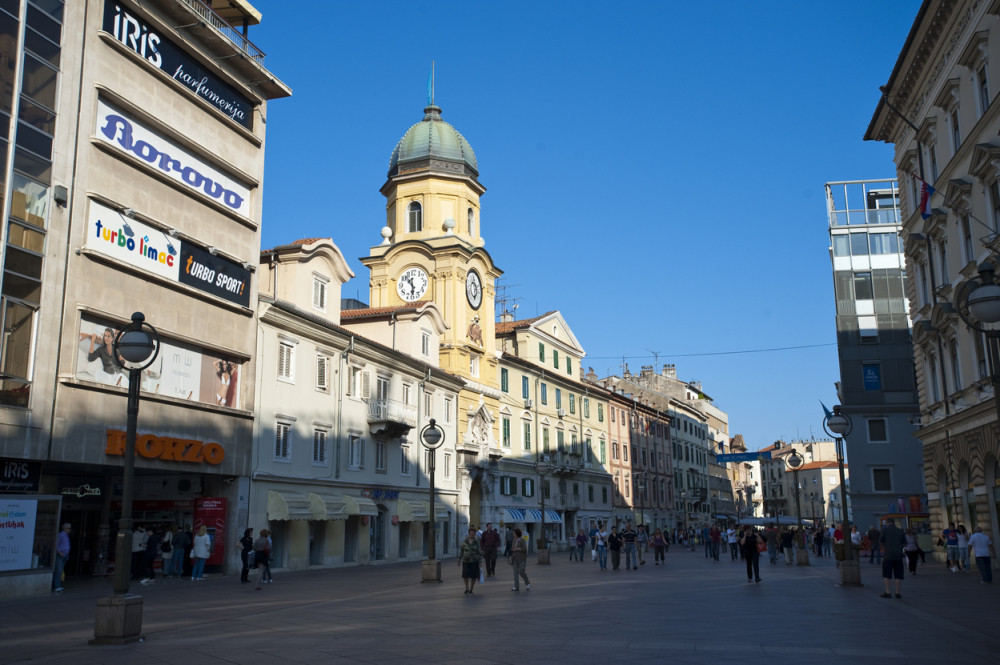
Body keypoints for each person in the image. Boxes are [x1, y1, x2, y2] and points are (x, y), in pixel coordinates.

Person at [879, 518, 906, 598]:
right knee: (898, 574)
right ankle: (897, 592)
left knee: (887, 574)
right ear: (894, 523)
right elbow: (904, 543)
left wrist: (887, 545)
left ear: (887, 523)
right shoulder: (900, 530)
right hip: (898, 555)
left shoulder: (885, 530)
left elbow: (880, 541)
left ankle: (888, 592)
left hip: (888, 555)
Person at [459, 527, 483, 594]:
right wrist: (459, 560)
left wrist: (480, 562)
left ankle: (471, 588)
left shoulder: (476, 542)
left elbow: (479, 552)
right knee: (465, 575)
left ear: (475, 534)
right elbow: (461, 551)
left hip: (474, 561)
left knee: (473, 576)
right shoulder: (465, 541)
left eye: (473, 533)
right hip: (466, 561)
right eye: (471, 533)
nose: (472, 534)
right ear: (468, 534)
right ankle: (466, 588)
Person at [52, 523, 71, 592]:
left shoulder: (66, 536)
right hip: (60, 555)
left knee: (60, 571)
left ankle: (58, 585)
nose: (69, 530)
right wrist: (59, 553)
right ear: (65, 528)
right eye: (69, 528)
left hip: (64, 556)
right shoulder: (61, 535)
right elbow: (56, 544)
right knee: (58, 570)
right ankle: (56, 586)